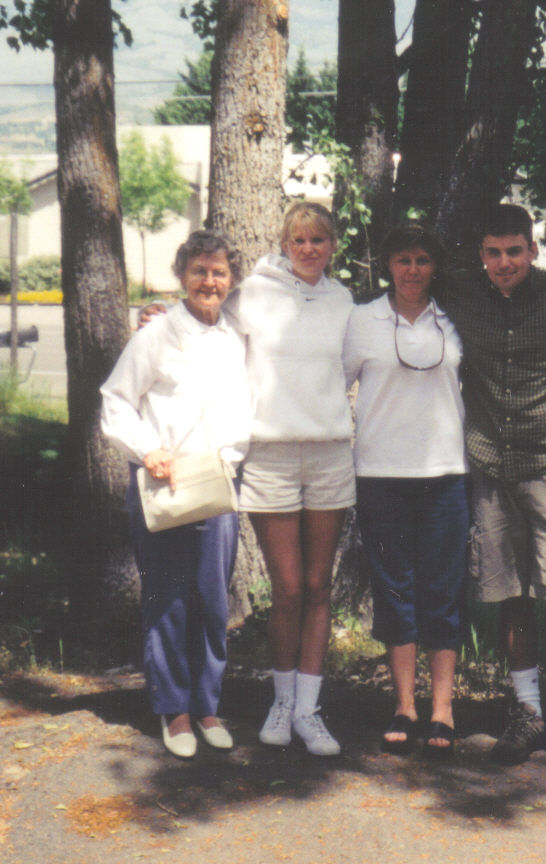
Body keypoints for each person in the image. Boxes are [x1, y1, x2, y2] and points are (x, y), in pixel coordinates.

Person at [437, 204, 546, 776]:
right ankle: (527, 710)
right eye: (493, 253)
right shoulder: (459, 291)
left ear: (532, 249)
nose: (504, 263)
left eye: (514, 251)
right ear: (480, 255)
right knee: (510, 593)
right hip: (489, 465)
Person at [100, 231, 252, 759]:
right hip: (164, 482)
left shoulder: (235, 337)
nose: (209, 281)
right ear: (182, 275)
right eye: (199, 271)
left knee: (213, 600)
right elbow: (116, 400)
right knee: (168, 600)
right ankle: (175, 711)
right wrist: (147, 450)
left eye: (219, 272)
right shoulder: (157, 334)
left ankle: (207, 706)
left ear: (231, 281)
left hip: (217, 484)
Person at [233, 202, 355, 756]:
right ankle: (281, 703)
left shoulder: (343, 300)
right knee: (286, 588)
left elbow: (353, 366)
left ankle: (309, 710)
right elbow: (205, 328)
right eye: (299, 240)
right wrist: (158, 316)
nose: (308, 249)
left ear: (332, 247)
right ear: (285, 244)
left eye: (318, 240)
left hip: (329, 454)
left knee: (317, 586)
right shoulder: (252, 294)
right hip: (271, 454)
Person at [343, 225, 468, 758]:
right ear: (387, 265)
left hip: (445, 474)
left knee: (443, 590)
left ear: (434, 267)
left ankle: (442, 708)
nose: (412, 269)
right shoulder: (362, 320)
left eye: (421, 260)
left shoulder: (455, 319)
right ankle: (403, 705)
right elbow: (330, 383)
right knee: (395, 590)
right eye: (402, 260)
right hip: (381, 476)